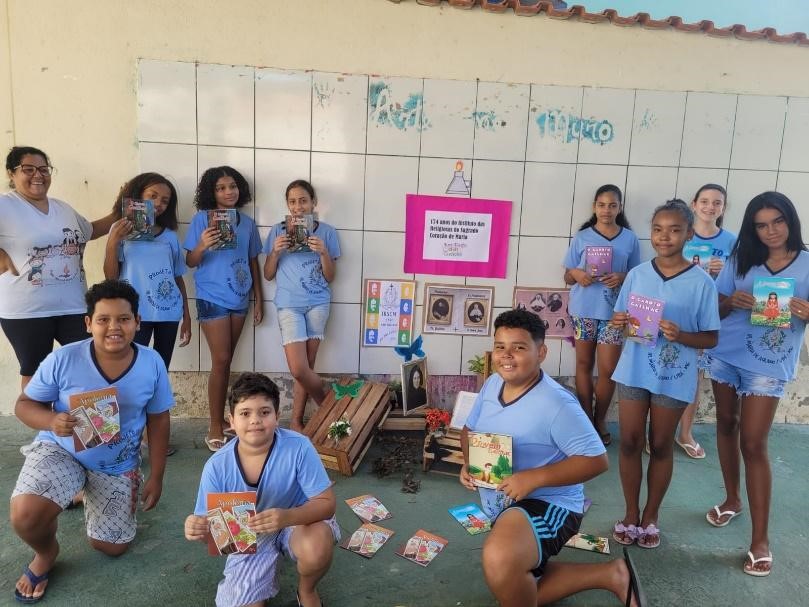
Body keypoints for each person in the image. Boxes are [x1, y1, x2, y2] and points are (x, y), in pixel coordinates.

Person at [459, 309, 646, 607]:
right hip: (504, 500)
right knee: (509, 584)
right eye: (500, 346)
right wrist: (469, 463)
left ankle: (533, 574)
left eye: (519, 347)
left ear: (541, 353)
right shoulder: (493, 384)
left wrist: (534, 478)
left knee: (500, 558)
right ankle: (612, 575)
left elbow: (597, 460)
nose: (506, 355)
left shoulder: (557, 403)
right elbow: (469, 430)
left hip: (551, 503)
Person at [10, 279, 174, 603]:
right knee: (26, 515)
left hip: (116, 464)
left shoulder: (152, 362)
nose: (114, 327)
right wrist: (51, 421)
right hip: (63, 450)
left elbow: (159, 419)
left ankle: (86, 490)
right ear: (88, 323)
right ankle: (46, 553)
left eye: (124, 319)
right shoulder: (63, 359)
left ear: (138, 322)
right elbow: (24, 405)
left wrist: (157, 475)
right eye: (103, 319)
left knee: (111, 547)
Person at [704, 192, 809, 577]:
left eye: (777, 221)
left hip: (769, 362)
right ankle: (732, 499)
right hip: (726, 353)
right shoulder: (740, 259)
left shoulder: (807, 264)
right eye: (761, 225)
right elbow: (714, 308)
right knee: (726, 424)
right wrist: (731, 301)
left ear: (790, 220)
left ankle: (760, 540)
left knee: (752, 442)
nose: (771, 231)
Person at [610, 200, 720, 549]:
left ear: (689, 234)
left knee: (660, 445)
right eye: (658, 229)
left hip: (673, 376)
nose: (664, 237)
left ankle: (651, 516)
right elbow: (623, 322)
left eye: (674, 230)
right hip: (634, 370)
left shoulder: (702, 283)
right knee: (629, 442)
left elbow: (711, 338)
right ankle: (631, 513)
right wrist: (620, 322)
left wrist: (681, 335)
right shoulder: (638, 275)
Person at [184, 372, 339, 607]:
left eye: (264, 412)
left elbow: (327, 504)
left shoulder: (299, 447)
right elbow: (216, 536)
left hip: (298, 520)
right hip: (250, 536)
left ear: (277, 417)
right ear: (231, 421)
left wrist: (286, 517)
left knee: (316, 547)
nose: (255, 420)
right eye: (245, 413)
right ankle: (260, 579)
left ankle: (307, 590)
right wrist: (198, 528)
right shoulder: (216, 467)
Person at [0, 146, 117, 390]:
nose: (38, 175)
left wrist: (121, 211)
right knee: (36, 372)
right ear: (12, 173)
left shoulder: (62, 208)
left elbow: (91, 231)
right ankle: (40, 416)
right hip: (27, 311)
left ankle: (84, 417)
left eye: (44, 169)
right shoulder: (5, 206)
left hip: (74, 306)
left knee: (91, 365)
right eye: (28, 169)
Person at [184, 166, 264, 451]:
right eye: (221, 188)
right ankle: (215, 425)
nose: (229, 192)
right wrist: (202, 245)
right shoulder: (201, 220)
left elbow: (253, 261)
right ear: (211, 192)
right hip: (211, 296)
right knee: (221, 359)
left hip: (240, 297)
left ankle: (224, 419)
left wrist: (259, 299)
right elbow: (190, 262)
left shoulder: (247, 223)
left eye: (232, 186)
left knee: (226, 361)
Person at [563, 184, 640, 445]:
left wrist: (621, 276)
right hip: (583, 311)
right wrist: (577, 274)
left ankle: (600, 419)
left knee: (608, 370)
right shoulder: (582, 236)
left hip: (614, 314)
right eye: (601, 205)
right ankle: (585, 419)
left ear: (620, 208)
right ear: (594, 206)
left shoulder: (629, 239)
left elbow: (638, 276)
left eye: (612, 205)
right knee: (584, 365)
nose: (606, 210)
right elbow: (567, 275)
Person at [263, 180, 339, 432]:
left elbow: (330, 276)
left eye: (303, 201)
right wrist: (275, 252)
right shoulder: (278, 231)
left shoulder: (327, 232)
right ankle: (331, 408)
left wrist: (323, 252)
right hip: (289, 305)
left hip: (318, 303)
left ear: (313, 203)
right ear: (287, 205)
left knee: (308, 365)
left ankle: (296, 420)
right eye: (293, 202)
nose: (298, 207)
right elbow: (268, 275)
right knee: (298, 369)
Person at [103, 173, 191, 370]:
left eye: (165, 201)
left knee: (161, 368)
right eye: (153, 196)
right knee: (132, 368)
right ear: (138, 195)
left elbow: (177, 278)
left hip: (168, 313)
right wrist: (113, 242)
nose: (158, 203)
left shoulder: (170, 236)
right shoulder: (119, 231)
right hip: (134, 313)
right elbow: (110, 277)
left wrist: (187, 316)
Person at [677, 184, 736, 460]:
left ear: (723, 208)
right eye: (705, 201)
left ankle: (685, 433)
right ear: (694, 203)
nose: (710, 207)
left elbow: (741, 280)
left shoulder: (732, 242)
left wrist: (725, 271)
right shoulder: (682, 234)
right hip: (682, 314)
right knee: (671, 370)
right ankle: (658, 432)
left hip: (715, 317)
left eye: (717, 203)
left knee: (696, 377)